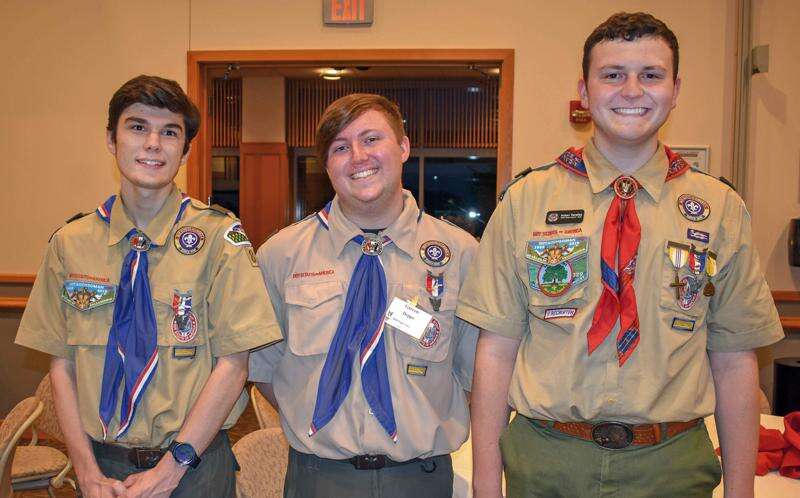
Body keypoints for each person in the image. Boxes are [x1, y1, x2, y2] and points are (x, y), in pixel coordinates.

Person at [457, 12, 784, 498]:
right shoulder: (526, 201)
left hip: (670, 463)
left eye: (651, 75)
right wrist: (486, 486)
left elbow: (735, 359)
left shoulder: (719, 210)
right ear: (585, 92)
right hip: (547, 460)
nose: (632, 90)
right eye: (612, 75)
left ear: (675, 89)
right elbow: (496, 351)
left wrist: (742, 492)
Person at [15, 75, 281, 498]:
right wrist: (84, 471)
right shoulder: (71, 244)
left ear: (185, 149)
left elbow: (235, 365)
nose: (153, 143)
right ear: (111, 139)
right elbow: (61, 365)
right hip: (101, 467)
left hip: (195, 468)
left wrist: (172, 468)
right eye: (138, 127)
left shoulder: (220, 240)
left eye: (169, 132)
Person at [249, 93, 478, 498]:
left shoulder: (460, 254)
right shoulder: (280, 255)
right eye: (340, 147)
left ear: (403, 147)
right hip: (318, 478)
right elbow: (264, 370)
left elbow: (478, 373)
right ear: (327, 164)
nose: (358, 156)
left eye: (371, 139)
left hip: (421, 478)